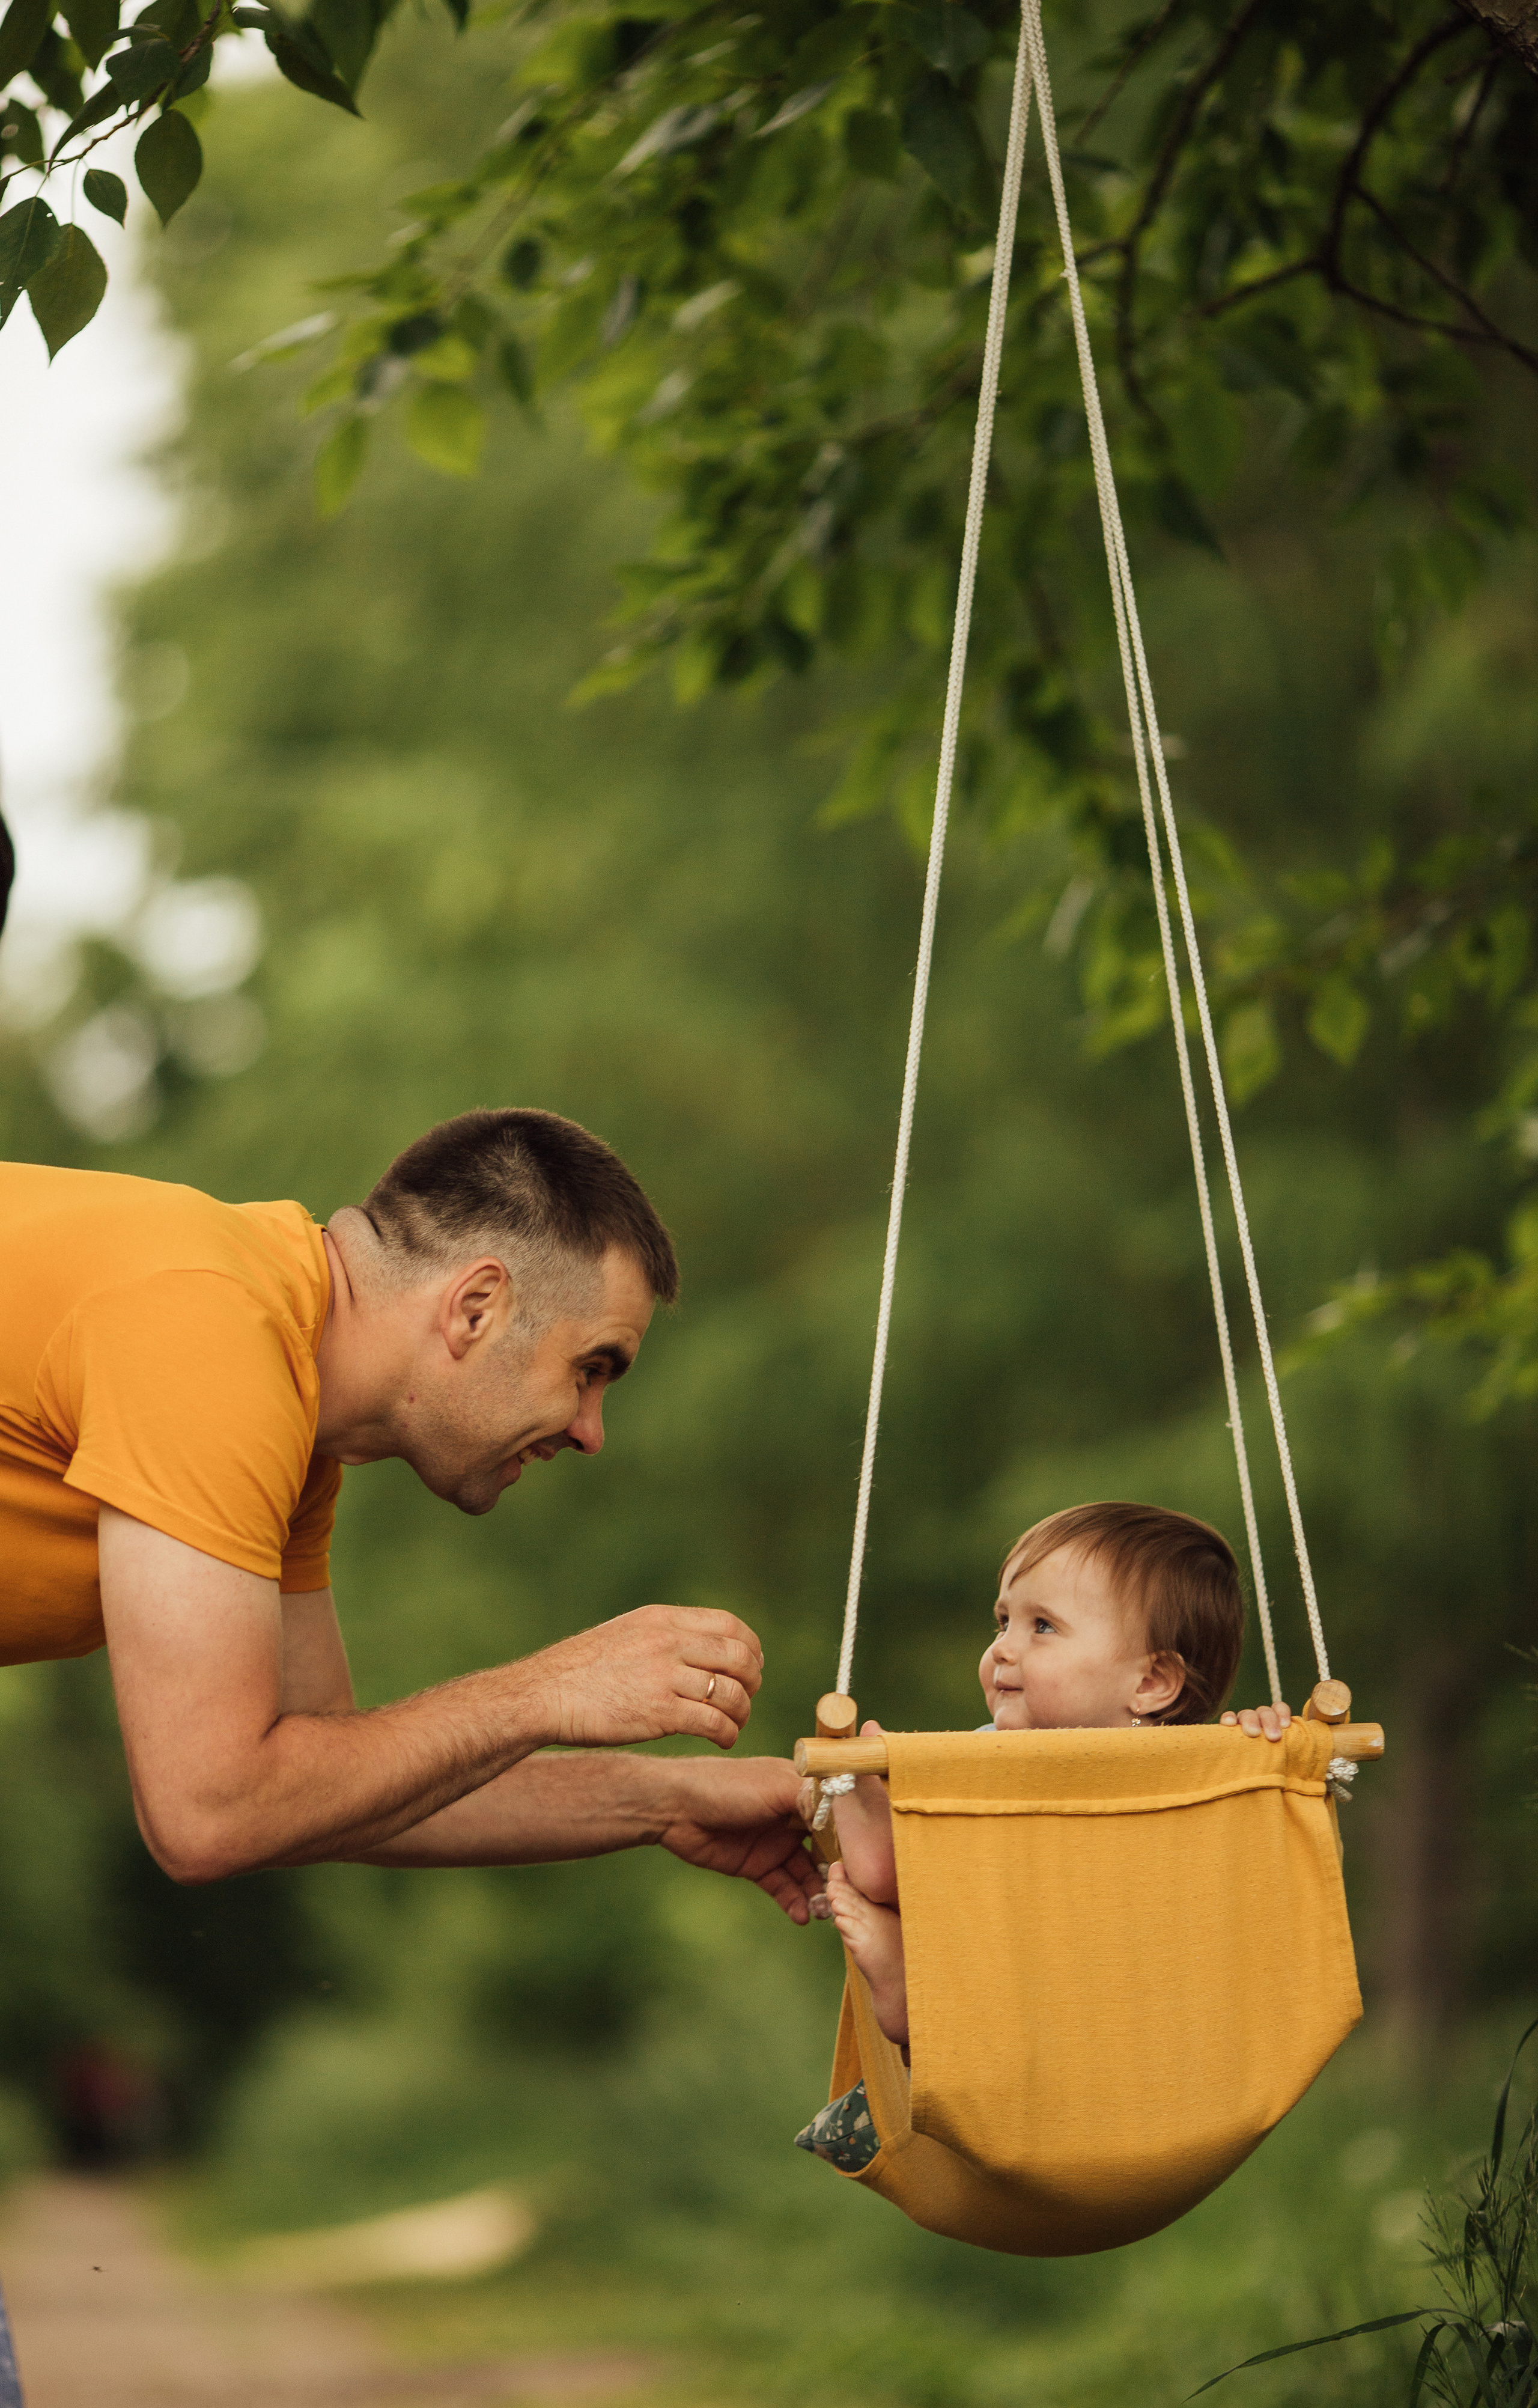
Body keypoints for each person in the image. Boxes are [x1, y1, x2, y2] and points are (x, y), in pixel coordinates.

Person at [0, 1108, 822, 1915]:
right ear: (475, 1307)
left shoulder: (290, 1409)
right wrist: (554, 1687)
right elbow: (210, 1811)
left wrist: (665, 1797)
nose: (591, 1431)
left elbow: (318, 1790)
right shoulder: (210, 1326)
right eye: (590, 1367)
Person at [795, 1500, 1292, 2172]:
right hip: (996, 2023)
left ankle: (919, 1970)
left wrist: (1271, 1753)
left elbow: (1277, 1863)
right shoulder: (980, 1757)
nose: (1002, 1647)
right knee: (926, 1866)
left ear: (1150, 1681)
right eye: (1002, 1621)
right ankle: (910, 1962)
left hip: (1121, 2014)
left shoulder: (1196, 1770)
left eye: (1042, 1626)